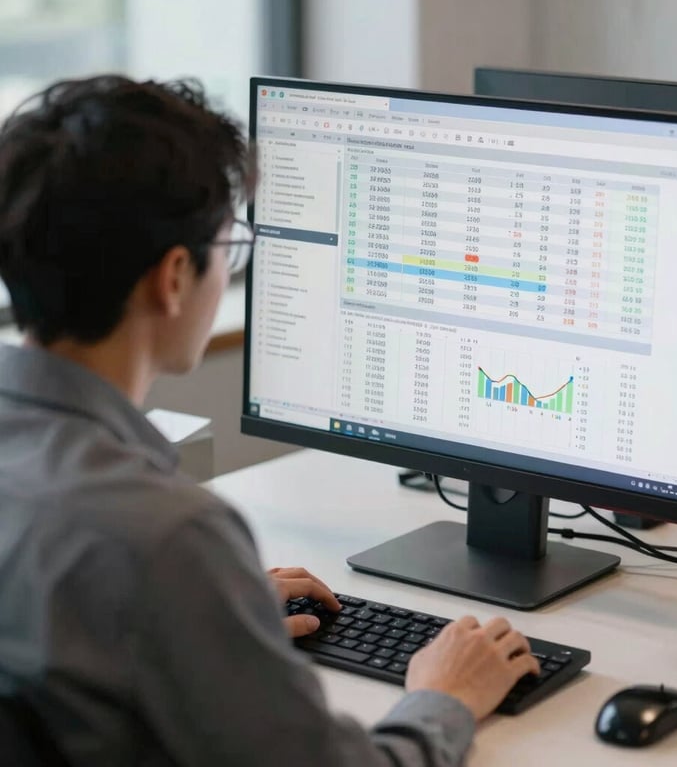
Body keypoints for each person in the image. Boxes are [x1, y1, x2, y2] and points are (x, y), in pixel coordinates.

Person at [0, 75, 539, 767]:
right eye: (230, 249)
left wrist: (206, 626)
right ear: (171, 278)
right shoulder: (167, 539)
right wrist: (447, 696)